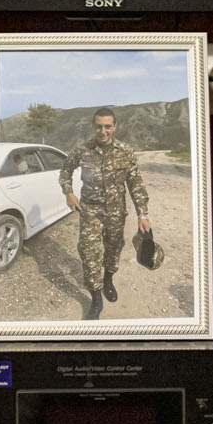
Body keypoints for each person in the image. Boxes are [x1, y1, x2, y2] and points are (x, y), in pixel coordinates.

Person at [59, 108, 150, 320]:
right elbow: (65, 171)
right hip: (90, 211)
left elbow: (135, 183)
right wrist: (69, 193)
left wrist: (142, 214)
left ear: (114, 127)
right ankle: (96, 299)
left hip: (117, 213)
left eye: (107, 126)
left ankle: (108, 280)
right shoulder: (82, 150)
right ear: (94, 127)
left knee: (113, 251)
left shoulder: (125, 152)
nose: (103, 131)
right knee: (89, 255)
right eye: (99, 126)